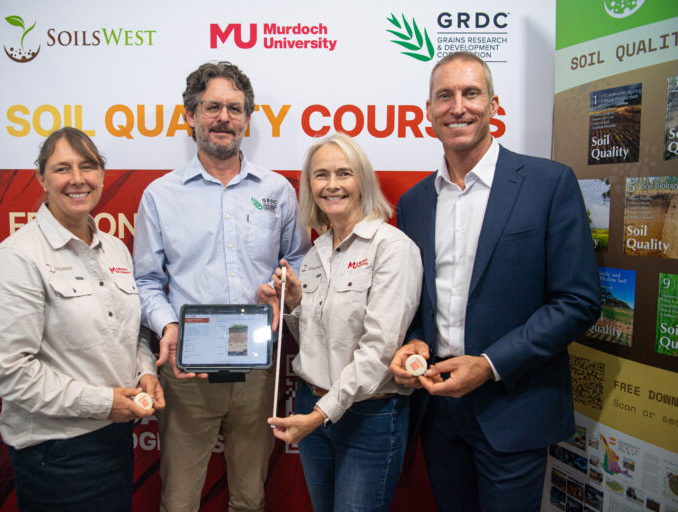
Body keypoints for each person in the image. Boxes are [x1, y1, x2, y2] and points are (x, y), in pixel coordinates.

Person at [389, 51, 601, 512]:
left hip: (515, 404)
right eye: (444, 96)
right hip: (439, 408)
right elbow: (418, 303)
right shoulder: (414, 203)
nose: (458, 107)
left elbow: (578, 301)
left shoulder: (548, 183)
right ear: (428, 110)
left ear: (494, 105)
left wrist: (488, 364)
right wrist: (416, 341)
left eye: (471, 93)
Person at [133, 61, 309, 512]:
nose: (223, 118)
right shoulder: (160, 195)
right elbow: (148, 281)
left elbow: (301, 261)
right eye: (212, 107)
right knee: (179, 500)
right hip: (187, 371)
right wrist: (168, 325)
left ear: (248, 119)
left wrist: (286, 286)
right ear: (190, 115)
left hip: (257, 369)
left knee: (250, 498)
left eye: (234, 108)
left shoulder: (278, 191)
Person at [0, 127, 164, 511]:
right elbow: (7, 370)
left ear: (102, 176)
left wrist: (145, 371)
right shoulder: (19, 257)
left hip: (113, 440)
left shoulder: (113, 248)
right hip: (57, 453)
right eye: (63, 168)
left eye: (88, 166)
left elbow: (131, 332)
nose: (78, 179)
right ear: (42, 179)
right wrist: (103, 403)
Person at [264, 133, 422, 512]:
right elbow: (313, 340)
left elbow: (379, 351)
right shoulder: (316, 252)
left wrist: (320, 416)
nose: (331, 185)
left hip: (368, 416)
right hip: (312, 402)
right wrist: (293, 305)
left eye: (343, 174)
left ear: (362, 181)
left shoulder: (393, 248)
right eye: (320, 175)